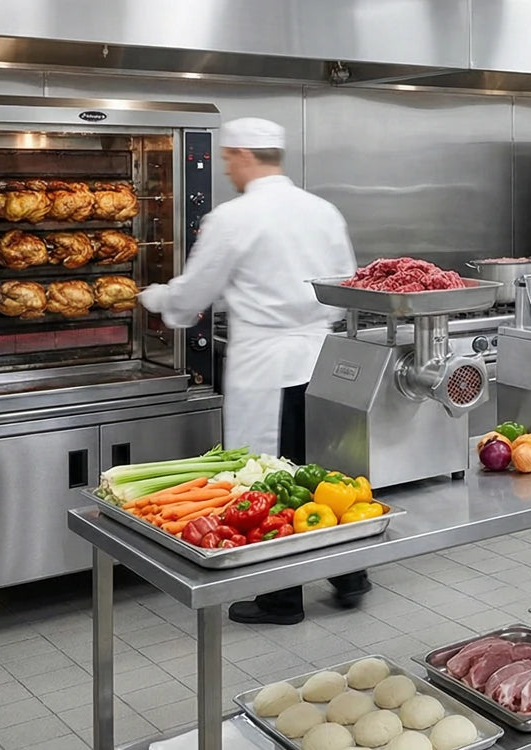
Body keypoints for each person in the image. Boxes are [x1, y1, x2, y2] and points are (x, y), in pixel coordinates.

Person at [138, 117, 369, 626]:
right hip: (322, 361)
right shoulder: (322, 211)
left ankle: (280, 598)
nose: (226, 169)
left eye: (227, 159)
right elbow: (345, 285)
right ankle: (350, 573)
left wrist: (156, 299)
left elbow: (195, 292)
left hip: (267, 367)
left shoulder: (233, 218)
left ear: (243, 155)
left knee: (270, 481)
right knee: (325, 474)